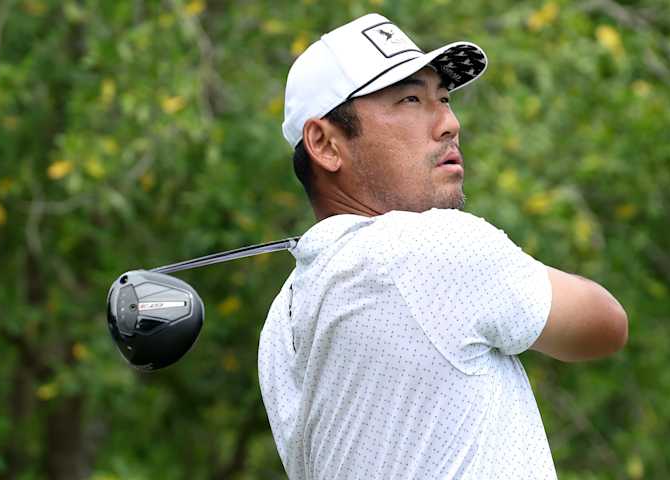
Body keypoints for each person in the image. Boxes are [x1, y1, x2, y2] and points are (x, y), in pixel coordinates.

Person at [258, 13, 628, 480]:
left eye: (445, 99)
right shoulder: (430, 247)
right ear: (325, 144)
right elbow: (606, 324)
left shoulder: (281, 319)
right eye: (411, 99)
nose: (449, 123)